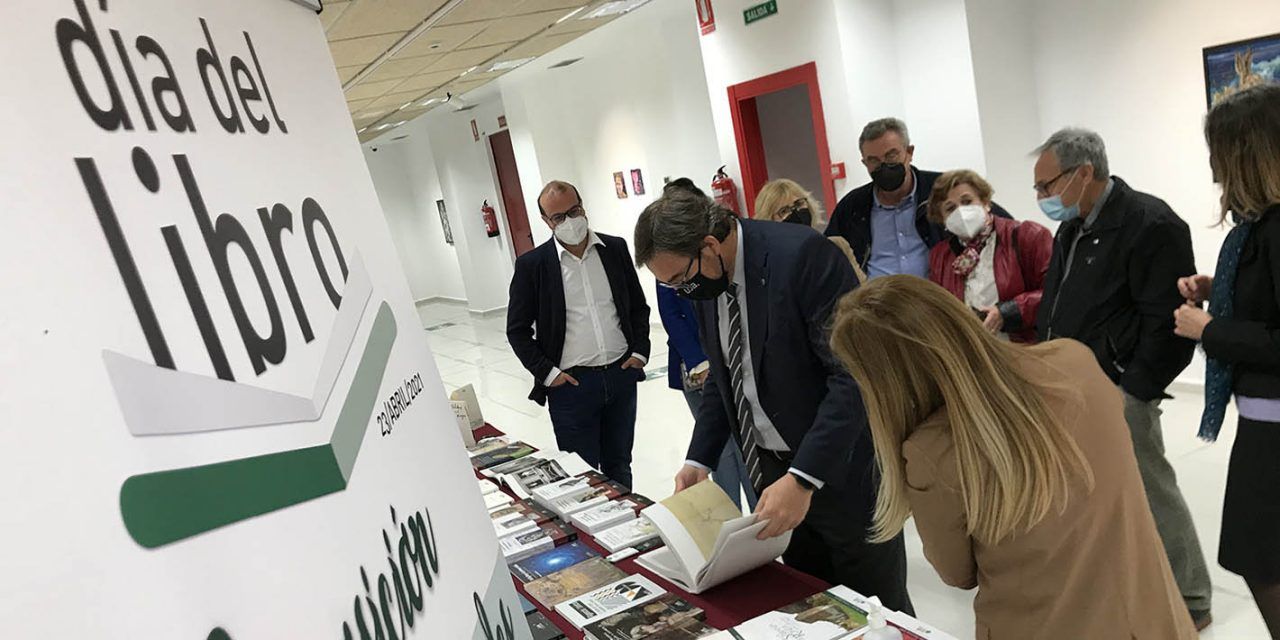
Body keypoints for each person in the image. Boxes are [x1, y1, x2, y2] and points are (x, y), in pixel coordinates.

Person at [828, 275, 1196, 639]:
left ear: (883, 381)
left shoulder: (931, 451)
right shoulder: (1074, 360)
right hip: (1151, 616)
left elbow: (957, 574)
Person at [634, 191, 912, 613]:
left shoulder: (803, 258)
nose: (681, 293)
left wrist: (804, 478)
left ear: (709, 245)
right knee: (814, 604)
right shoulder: (710, 283)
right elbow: (724, 378)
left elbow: (854, 375)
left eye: (679, 280)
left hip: (841, 471)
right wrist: (699, 461)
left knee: (878, 609)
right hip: (773, 474)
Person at [1032, 127, 1212, 629]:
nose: (1043, 198)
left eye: (1048, 186)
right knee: (1095, 498)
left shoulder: (1150, 223)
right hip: (1070, 386)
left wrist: (1133, 390)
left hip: (1119, 389)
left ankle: (1192, 597)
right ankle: (1125, 587)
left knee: (1149, 489)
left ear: (1084, 172)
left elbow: (1169, 322)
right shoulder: (1072, 228)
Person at [1173, 84, 1280, 637]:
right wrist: (1223, 289)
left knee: (1259, 560)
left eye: (1217, 149)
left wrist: (1211, 329)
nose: (1212, 165)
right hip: (1264, 424)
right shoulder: (1258, 228)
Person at [506, 180, 650, 489]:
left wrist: (639, 352)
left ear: (583, 206)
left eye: (574, 211)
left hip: (620, 375)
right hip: (571, 386)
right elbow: (517, 330)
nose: (570, 221)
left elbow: (637, 306)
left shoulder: (615, 248)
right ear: (546, 222)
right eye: (559, 217)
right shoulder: (533, 266)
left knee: (619, 464)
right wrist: (548, 373)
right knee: (581, 475)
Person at [659, 178, 757, 511]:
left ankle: (757, 507)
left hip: (737, 370)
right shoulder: (674, 267)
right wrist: (700, 362)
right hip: (697, 369)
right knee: (721, 451)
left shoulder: (724, 265)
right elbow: (673, 318)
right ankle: (729, 514)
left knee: (746, 446)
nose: (680, 286)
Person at [825, 117, 1009, 278]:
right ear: (864, 162)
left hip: (942, 303)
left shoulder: (943, 191)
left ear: (909, 152)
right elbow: (828, 256)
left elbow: (1002, 227)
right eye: (874, 160)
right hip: (878, 310)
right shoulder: (852, 207)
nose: (884, 165)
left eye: (891, 155)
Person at [925, 170, 1052, 342]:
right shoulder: (940, 256)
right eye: (950, 208)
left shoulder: (1027, 235)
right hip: (974, 354)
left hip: (1023, 349)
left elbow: (1055, 293)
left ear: (985, 202)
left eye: (967, 201)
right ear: (943, 220)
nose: (961, 212)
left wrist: (1008, 312)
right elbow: (939, 309)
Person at [753, 178, 866, 282]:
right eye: (784, 211)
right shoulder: (771, 266)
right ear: (768, 220)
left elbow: (863, 289)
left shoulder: (838, 245)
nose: (795, 212)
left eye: (798, 203)